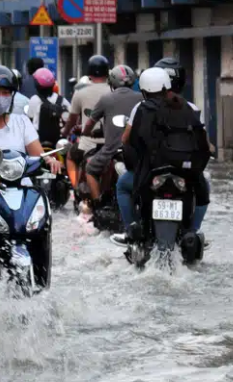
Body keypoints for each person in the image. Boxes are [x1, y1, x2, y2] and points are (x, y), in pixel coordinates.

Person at [115, 57, 210, 244]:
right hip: (184, 171)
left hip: (149, 171)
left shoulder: (140, 108)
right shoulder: (190, 108)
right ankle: (194, 231)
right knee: (204, 188)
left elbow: (126, 140)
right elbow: (203, 142)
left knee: (122, 186)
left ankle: (131, 229)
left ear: (143, 89)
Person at [0, 65, 62, 174]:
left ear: (12, 95)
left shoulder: (22, 123)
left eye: (6, 93)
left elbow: (38, 157)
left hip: (22, 183)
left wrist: (49, 161)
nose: (0, 98)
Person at [82, 65, 143, 202]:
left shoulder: (106, 99)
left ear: (112, 82)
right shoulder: (141, 98)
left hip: (111, 150)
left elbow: (90, 122)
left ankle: (97, 203)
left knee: (90, 169)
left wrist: (86, 132)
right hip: (137, 153)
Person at [61, 55, 111, 191]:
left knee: (70, 157)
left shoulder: (80, 93)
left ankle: (76, 188)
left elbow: (72, 119)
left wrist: (65, 132)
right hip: (111, 144)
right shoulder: (114, 91)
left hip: (87, 144)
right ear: (107, 72)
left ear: (89, 73)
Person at [27, 67, 70, 146]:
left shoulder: (34, 99)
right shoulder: (62, 100)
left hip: (40, 142)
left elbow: (30, 119)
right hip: (60, 142)